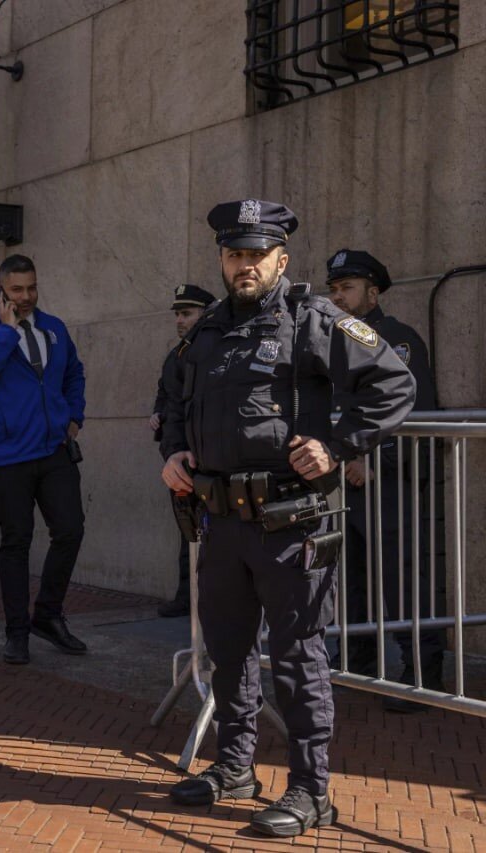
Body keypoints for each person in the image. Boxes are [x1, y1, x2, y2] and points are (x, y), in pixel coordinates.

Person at [160, 200, 415, 837]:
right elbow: (170, 399)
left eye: (255, 254)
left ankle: (310, 790)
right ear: (221, 258)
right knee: (228, 652)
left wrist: (339, 445)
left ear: (281, 257)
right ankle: (236, 767)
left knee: (298, 656)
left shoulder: (315, 319)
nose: (243, 265)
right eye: (233, 254)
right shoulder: (207, 329)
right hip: (220, 522)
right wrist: (172, 453)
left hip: (290, 521)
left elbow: (394, 383)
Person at [325, 248, 444, 712]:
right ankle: (357, 664)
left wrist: (375, 459)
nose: (337, 296)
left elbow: (412, 412)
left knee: (403, 584)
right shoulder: (332, 341)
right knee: (350, 581)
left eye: (347, 288)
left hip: (386, 485)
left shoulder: (397, 341)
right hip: (339, 483)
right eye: (333, 288)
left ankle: (423, 675)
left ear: (372, 293)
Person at [0, 254, 87, 666]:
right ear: (1, 290)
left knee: (70, 529)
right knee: (17, 541)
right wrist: (6, 334)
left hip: (53, 449)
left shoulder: (54, 328)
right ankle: (16, 632)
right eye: (17, 289)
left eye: (31, 287)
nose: (26, 296)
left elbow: (74, 374)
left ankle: (47, 614)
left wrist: (74, 415)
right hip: (6, 455)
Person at [150, 284, 216, 617]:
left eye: (186, 313)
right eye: (177, 314)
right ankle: (187, 595)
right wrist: (156, 413)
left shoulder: (214, 349)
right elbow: (167, 396)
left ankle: (205, 598)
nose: (179, 320)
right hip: (180, 457)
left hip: (209, 457)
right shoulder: (176, 355)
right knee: (187, 530)